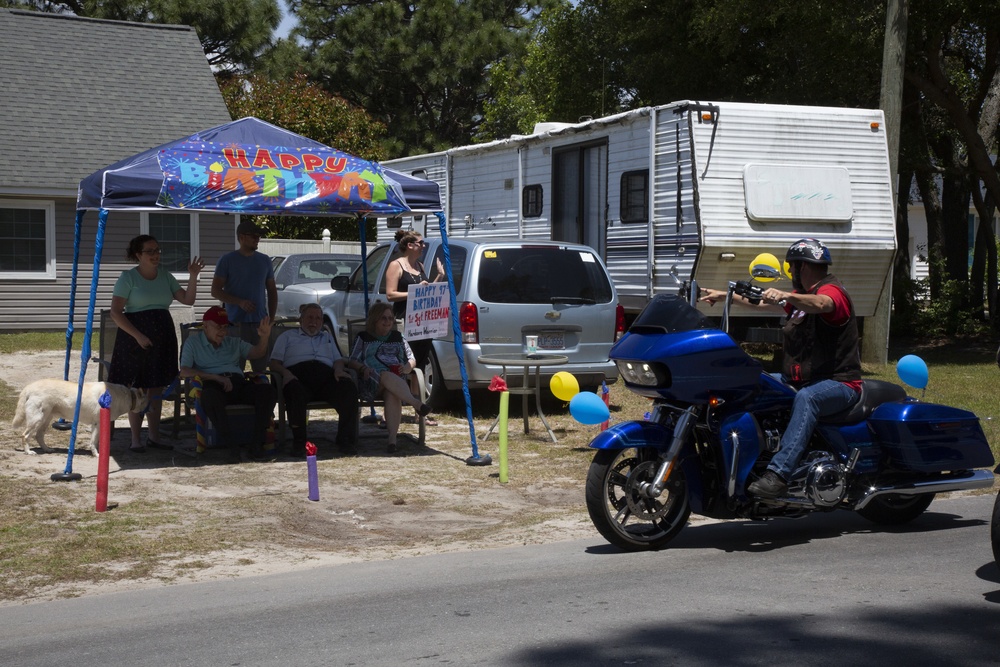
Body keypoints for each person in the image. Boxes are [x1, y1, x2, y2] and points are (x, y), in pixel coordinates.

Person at [699, 238, 862, 499]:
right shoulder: (801, 300)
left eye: (792, 268)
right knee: (754, 381)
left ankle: (779, 474)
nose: (791, 274)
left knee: (807, 399)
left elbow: (823, 304)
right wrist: (723, 295)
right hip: (799, 379)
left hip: (840, 383)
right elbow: (762, 304)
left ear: (801, 267)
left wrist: (787, 295)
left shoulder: (833, 292)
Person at [108, 235, 204, 453]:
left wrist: (193, 276)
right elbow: (115, 313)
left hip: (162, 334)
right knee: (138, 388)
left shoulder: (165, 276)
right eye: (149, 251)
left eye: (157, 250)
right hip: (135, 336)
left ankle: (154, 436)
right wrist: (138, 336)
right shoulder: (128, 277)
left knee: (156, 387)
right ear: (138, 255)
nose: (155, 255)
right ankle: (135, 439)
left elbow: (188, 300)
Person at [179, 306, 276, 463]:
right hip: (213, 384)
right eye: (218, 327)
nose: (222, 331)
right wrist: (215, 377)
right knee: (209, 396)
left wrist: (264, 337)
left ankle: (256, 443)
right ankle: (231, 446)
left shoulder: (233, 342)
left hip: (237, 383)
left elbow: (257, 353)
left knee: (267, 391)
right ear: (205, 326)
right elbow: (184, 371)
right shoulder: (193, 342)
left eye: (225, 327)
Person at [270, 303, 360, 457]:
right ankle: (299, 443)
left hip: (326, 378)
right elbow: (273, 363)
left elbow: (338, 360)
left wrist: (338, 369)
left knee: (348, 388)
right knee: (294, 391)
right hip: (298, 377)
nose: (314, 321)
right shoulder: (287, 336)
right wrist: (286, 373)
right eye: (310, 317)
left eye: (318, 318)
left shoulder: (327, 337)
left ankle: (345, 439)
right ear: (301, 319)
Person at [347, 302, 432, 454]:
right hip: (371, 381)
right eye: (383, 318)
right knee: (386, 375)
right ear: (375, 320)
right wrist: (362, 368)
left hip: (396, 385)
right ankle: (416, 403)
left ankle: (392, 441)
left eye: (390, 318)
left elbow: (411, 359)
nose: (388, 322)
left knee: (391, 393)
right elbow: (351, 360)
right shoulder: (364, 337)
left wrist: (407, 367)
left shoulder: (398, 336)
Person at [384, 229, 444, 423]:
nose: (423, 246)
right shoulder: (396, 265)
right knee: (403, 365)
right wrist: (414, 292)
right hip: (403, 321)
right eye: (420, 242)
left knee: (419, 363)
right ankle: (393, 410)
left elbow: (426, 292)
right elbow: (390, 294)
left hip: (422, 322)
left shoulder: (419, 265)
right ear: (410, 245)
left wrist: (439, 277)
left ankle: (419, 413)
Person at [211, 220, 277, 373]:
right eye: (253, 236)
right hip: (235, 324)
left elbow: (272, 290)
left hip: (260, 323)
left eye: (258, 236)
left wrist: (271, 318)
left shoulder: (265, 260)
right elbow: (215, 291)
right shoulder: (227, 260)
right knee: (235, 370)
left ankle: (259, 395)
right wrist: (239, 302)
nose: (257, 239)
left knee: (261, 370)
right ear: (241, 237)